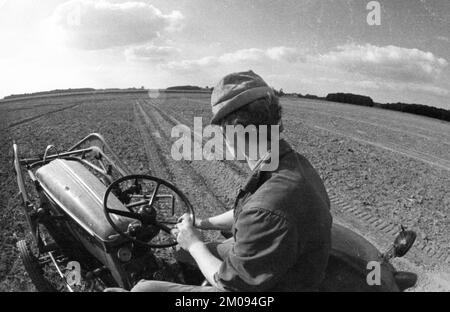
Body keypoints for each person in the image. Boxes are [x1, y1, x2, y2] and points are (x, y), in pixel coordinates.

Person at [105, 70, 332, 292]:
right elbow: (249, 214)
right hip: (287, 267)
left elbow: (230, 283)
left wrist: (195, 244)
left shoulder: (267, 207)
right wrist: (202, 223)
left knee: (144, 289)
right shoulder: (291, 165)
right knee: (182, 252)